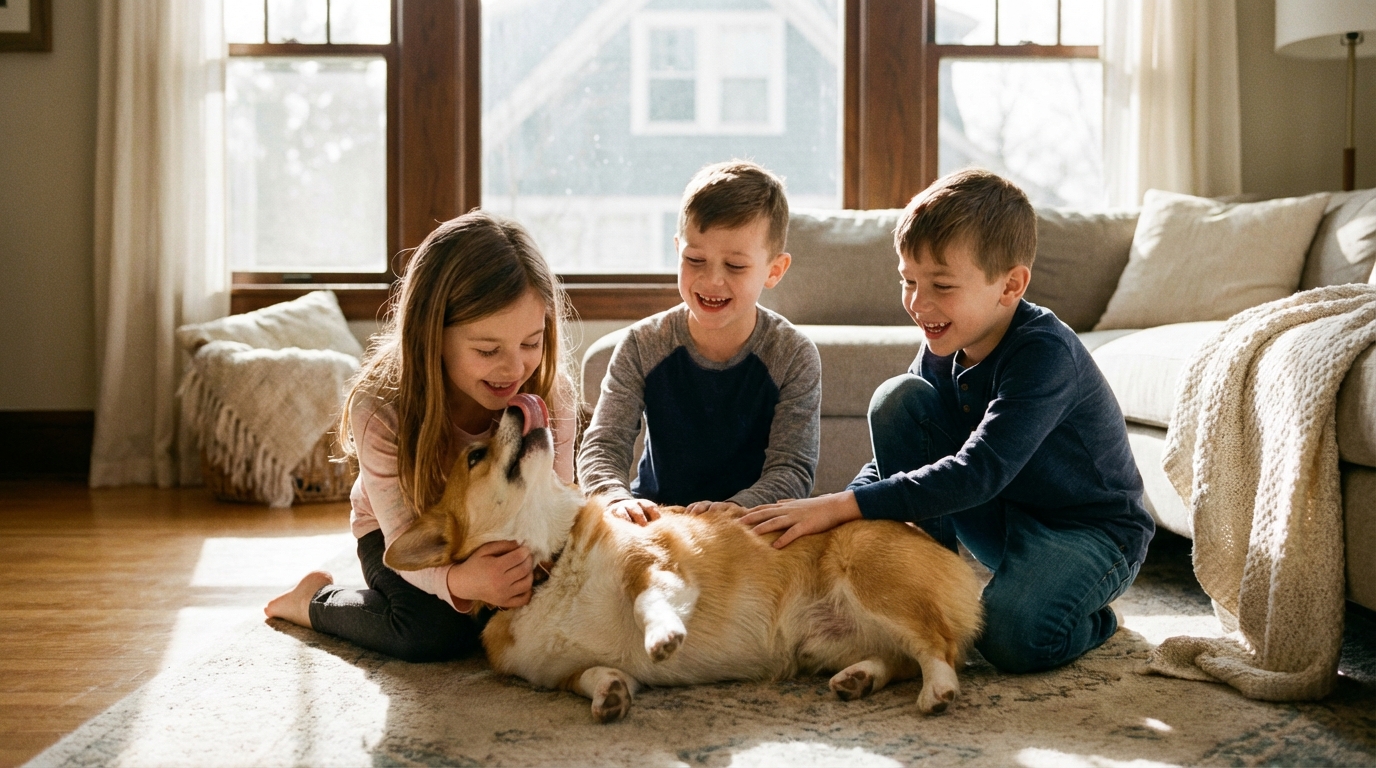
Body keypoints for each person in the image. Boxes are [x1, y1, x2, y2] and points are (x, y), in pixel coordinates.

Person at [740, 169, 1155, 673]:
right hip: (1000, 516)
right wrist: (830, 524)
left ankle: (1096, 619)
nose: (919, 303)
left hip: (1089, 532)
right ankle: (922, 581)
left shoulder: (1044, 354)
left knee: (1011, 638)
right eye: (908, 281)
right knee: (898, 399)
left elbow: (978, 470)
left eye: (941, 284)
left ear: (1010, 285)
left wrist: (838, 505)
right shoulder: (947, 341)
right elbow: (899, 457)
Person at [264, 211, 578, 662]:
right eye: (488, 350)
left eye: (532, 343)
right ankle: (313, 602)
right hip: (406, 537)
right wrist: (463, 582)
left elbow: (556, 498)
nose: (514, 369)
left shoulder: (551, 392)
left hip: (506, 524)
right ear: (433, 336)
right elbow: (402, 541)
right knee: (429, 634)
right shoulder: (380, 409)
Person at [578, 160, 822, 525]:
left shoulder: (793, 355)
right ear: (678, 250)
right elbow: (603, 445)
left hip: (749, 527)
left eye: (735, 266)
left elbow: (792, 468)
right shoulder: (642, 344)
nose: (711, 280)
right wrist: (613, 497)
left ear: (774, 270)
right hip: (656, 522)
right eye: (695, 259)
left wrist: (739, 507)